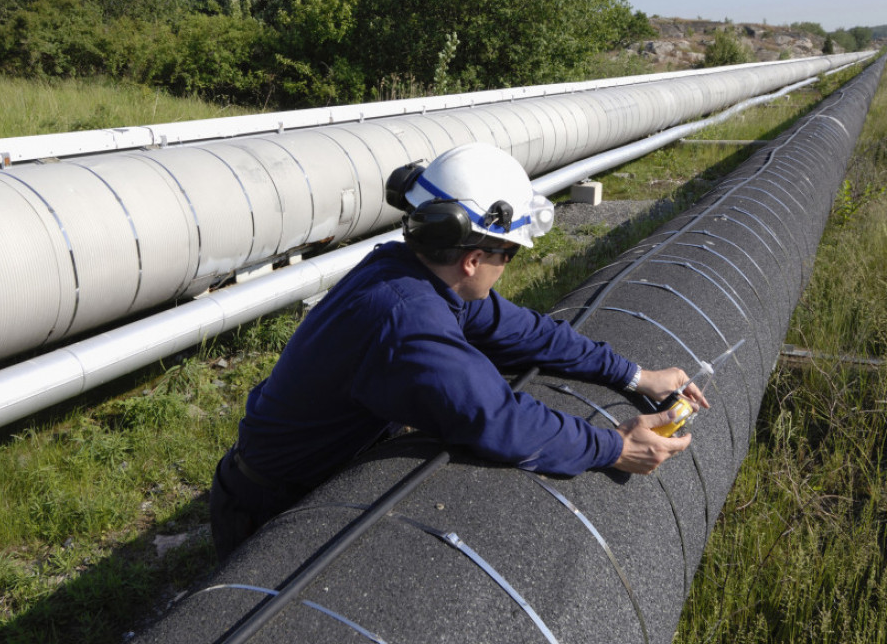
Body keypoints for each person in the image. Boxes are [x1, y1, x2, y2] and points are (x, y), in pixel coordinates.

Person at [209, 142, 707, 561]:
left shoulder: (415, 272)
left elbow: (529, 333)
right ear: (473, 259)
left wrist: (634, 376)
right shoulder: (408, 321)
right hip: (266, 509)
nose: (506, 267)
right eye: (509, 254)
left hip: (304, 470)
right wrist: (616, 447)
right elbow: (497, 418)